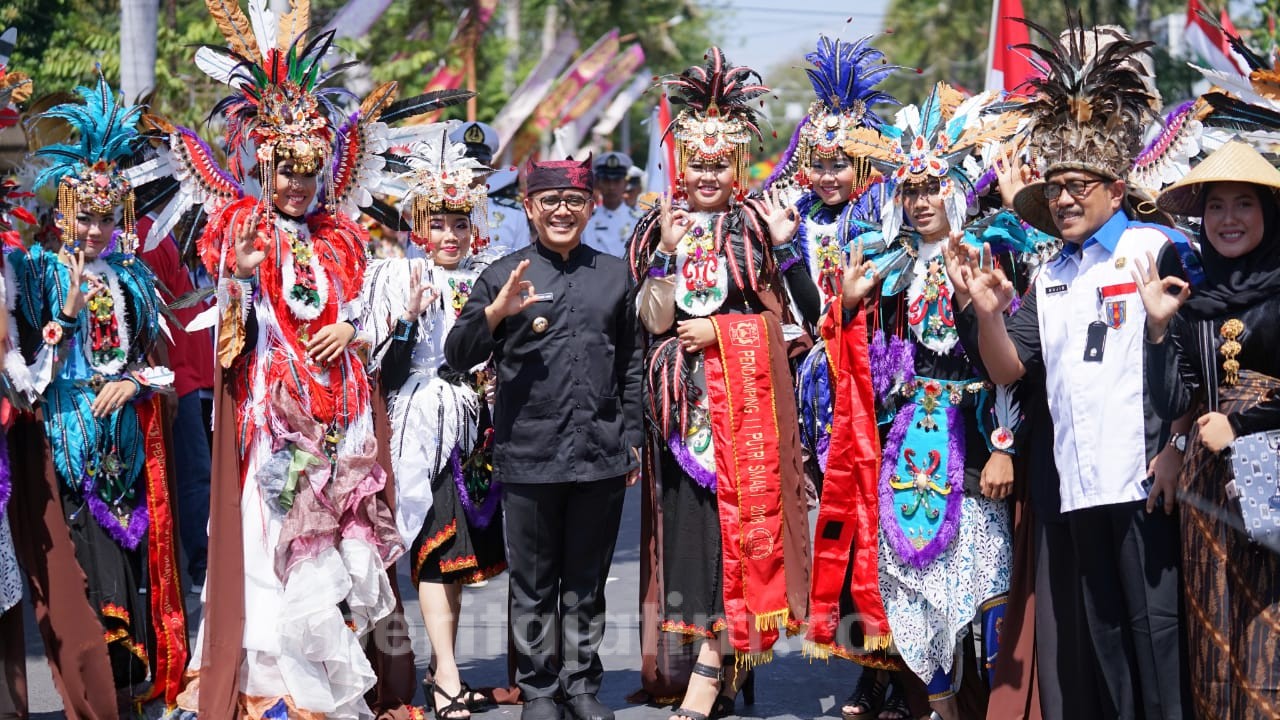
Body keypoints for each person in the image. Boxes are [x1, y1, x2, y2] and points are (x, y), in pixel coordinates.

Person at [149, 3, 474, 714]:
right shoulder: (240, 224)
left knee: (339, 548)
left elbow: (359, 314)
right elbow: (230, 323)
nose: (297, 185)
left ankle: (331, 682)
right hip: (276, 414)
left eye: (308, 171)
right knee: (278, 549)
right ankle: (279, 691)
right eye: (285, 171)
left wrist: (355, 337)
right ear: (263, 164)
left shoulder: (338, 236)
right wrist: (236, 272)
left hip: (344, 411)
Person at [953, 19, 1191, 719]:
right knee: (1107, 640)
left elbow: (1194, 360)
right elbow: (1007, 370)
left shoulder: (1159, 246)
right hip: (1079, 484)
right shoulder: (1049, 274)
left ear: (1116, 189)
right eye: (1054, 187)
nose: (1062, 198)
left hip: (1147, 479)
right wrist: (988, 310)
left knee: (1162, 639)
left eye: (1079, 184)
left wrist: (1176, 446)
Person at [821, 83, 1032, 720]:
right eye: (909, 190)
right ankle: (945, 714)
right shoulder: (887, 264)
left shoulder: (994, 250)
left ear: (958, 187)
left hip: (975, 440)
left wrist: (1004, 447)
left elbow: (1014, 366)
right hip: (909, 442)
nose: (919, 201)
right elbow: (854, 366)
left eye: (931, 186)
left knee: (987, 585)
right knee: (908, 586)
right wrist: (849, 307)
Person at [627, 47, 816, 720]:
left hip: (747, 413)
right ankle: (722, 661)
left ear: (735, 167)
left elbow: (800, 319)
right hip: (685, 416)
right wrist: (668, 257)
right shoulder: (659, 225)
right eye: (696, 164)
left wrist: (726, 331)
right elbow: (651, 320)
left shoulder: (758, 227)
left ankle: (711, 677)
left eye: (718, 165)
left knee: (741, 545)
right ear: (683, 165)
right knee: (700, 547)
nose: (706, 175)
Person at [5, 75, 188, 711]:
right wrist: (71, 310)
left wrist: (133, 384)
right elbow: (30, 365)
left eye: (108, 216)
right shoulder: (38, 272)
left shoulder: (135, 275)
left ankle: (136, 691)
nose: (96, 229)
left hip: (126, 438)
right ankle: (103, 692)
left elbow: (155, 361)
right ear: (61, 217)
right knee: (92, 567)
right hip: (68, 433)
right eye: (86, 216)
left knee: (135, 567)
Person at [445, 156, 642, 720]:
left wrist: (629, 435)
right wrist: (496, 313)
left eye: (573, 201)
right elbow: (459, 356)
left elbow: (630, 363)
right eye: (549, 201)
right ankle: (537, 688)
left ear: (591, 207)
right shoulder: (502, 274)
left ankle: (580, 684)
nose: (561, 211)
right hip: (528, 452)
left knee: (586, 579)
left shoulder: (615, 273)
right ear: (529, 207)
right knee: (532, 583)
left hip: (600, 451)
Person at [362, 127, 505, 719]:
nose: (450, 236)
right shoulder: (397, 277)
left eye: (459, 223)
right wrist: (406, 319)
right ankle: (445, 673)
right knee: (433, 548)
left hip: (481, 427)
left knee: (459, 559)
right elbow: (387, 372)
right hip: (424, 427)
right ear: (420, 225)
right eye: (438, 224)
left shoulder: (493, 274)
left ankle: (442, 665)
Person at [1135, 139, 1280, 718]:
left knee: (1270, 638)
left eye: (1243, 204)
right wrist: (1157, 329)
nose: (1228, 219)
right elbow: (1173, 397)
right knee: (1215, 640)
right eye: (1216, 206)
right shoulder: (1192, 292)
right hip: (1208, 490)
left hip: (1271, 483)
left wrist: (1243, 423)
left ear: (1269, 211)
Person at [583, 152, 640, 257]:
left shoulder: (639, 220)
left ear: (625, 184)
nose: (611, 187)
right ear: (598, 183)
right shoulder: (586, 219)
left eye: (617, 181)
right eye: (606, 181)